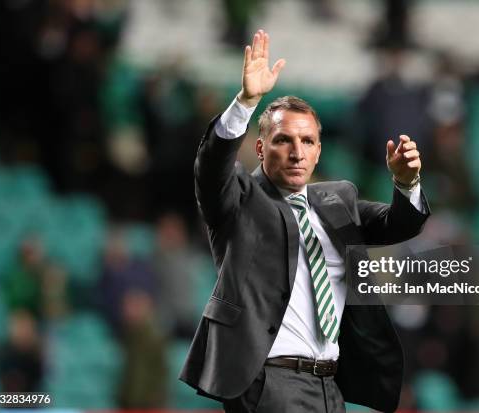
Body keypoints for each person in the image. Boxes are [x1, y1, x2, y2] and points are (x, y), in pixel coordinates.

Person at [179, 30, 430, 412]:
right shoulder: (240, 199)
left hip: (330, 386)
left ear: (318, 151)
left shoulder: (338, 201)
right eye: (283, 140)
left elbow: (401, 224)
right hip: (268, 383)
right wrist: (246, 102)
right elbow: (211, 168)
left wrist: (406, 182)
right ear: (261, 148)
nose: (297, 152)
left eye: (308, 141)